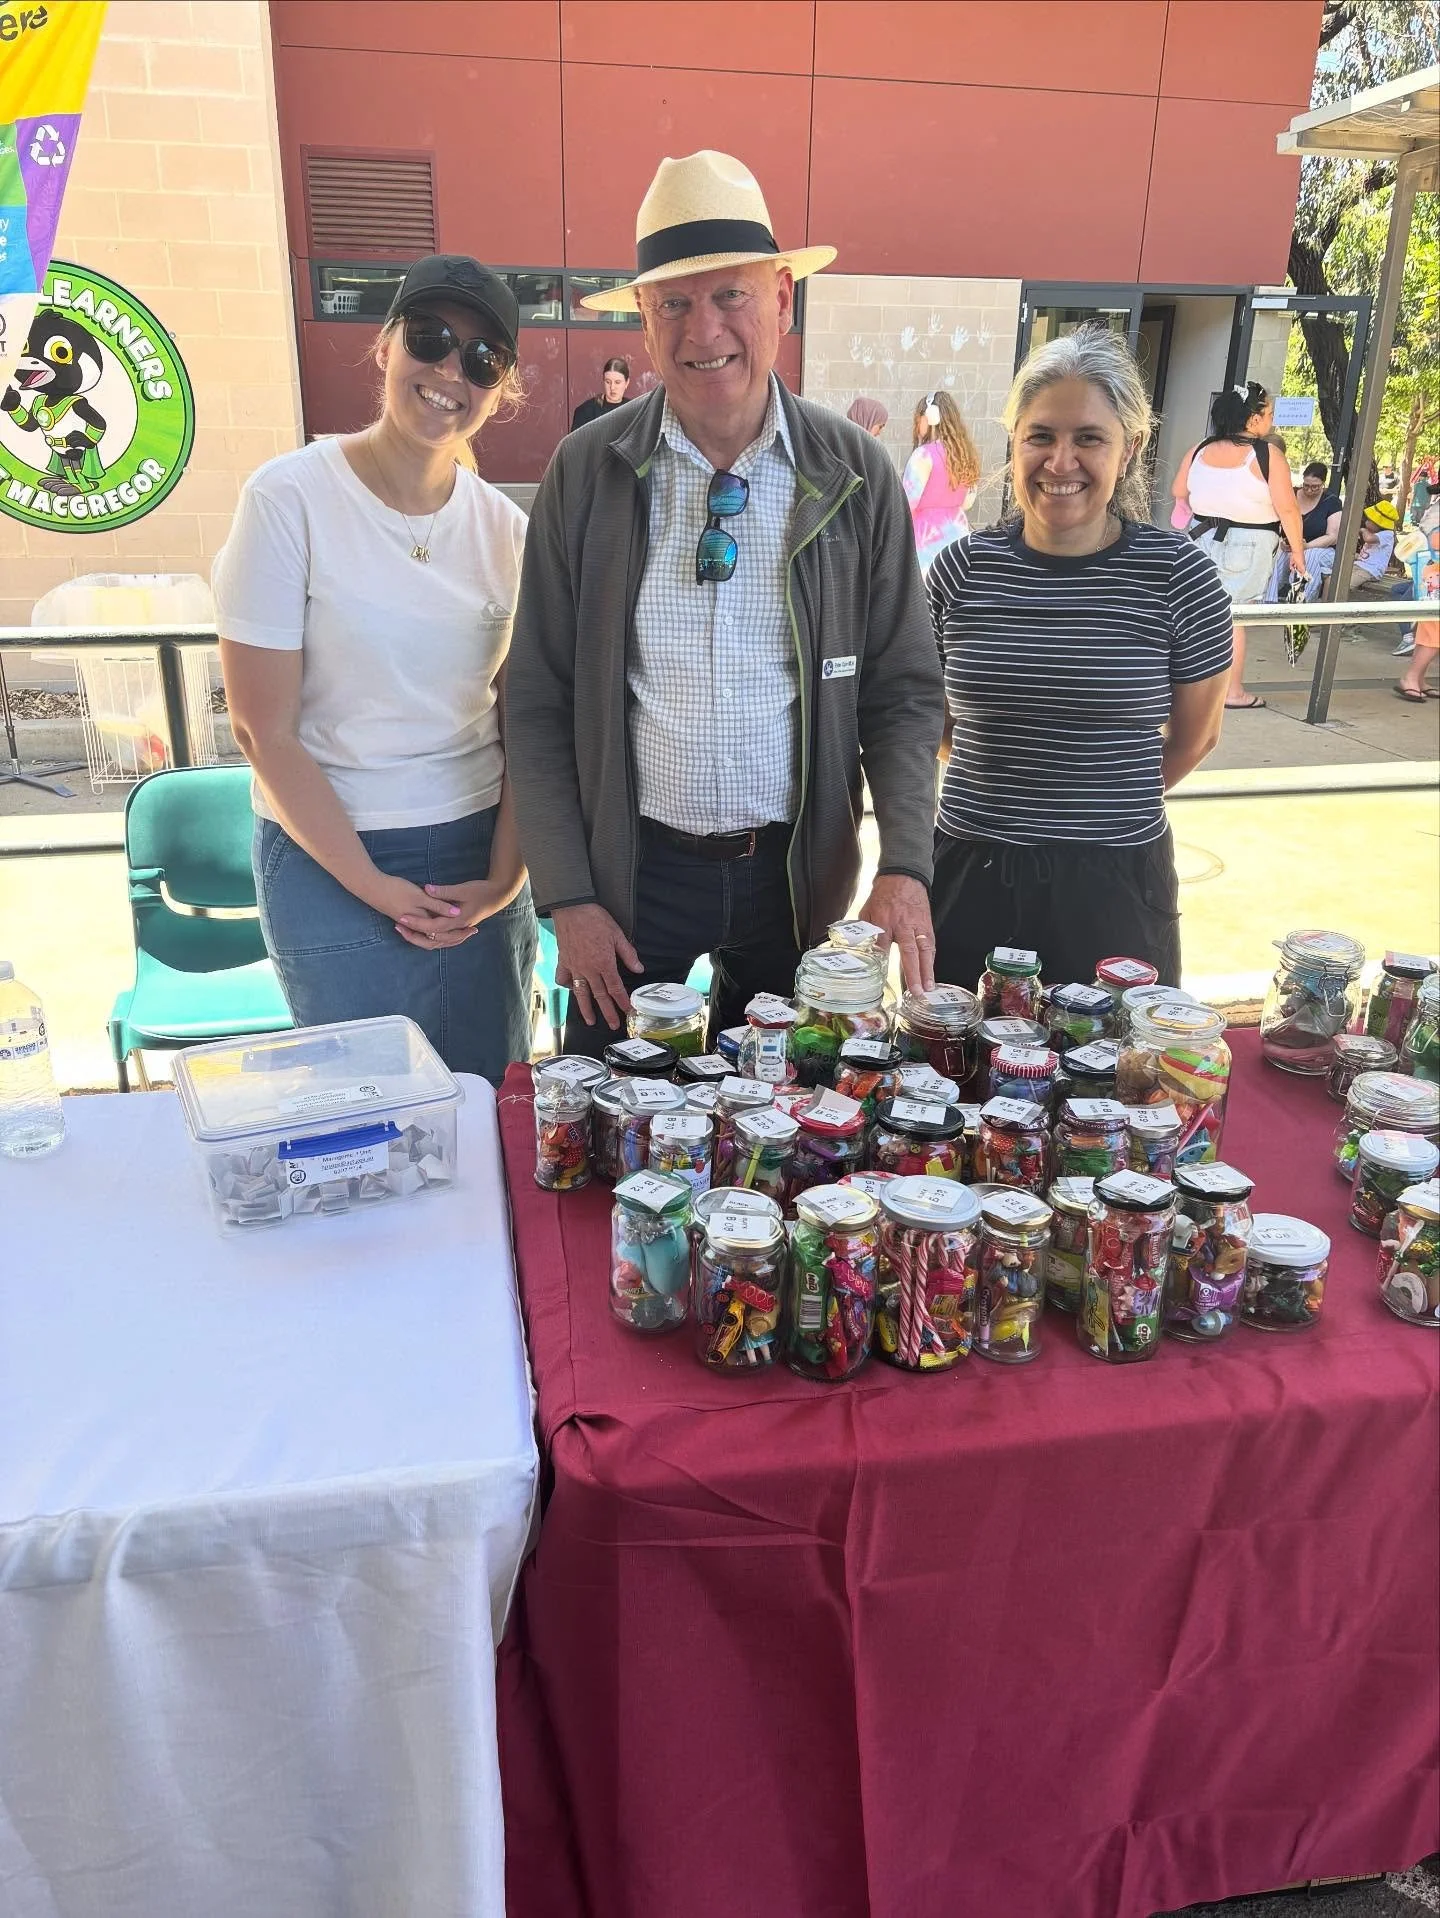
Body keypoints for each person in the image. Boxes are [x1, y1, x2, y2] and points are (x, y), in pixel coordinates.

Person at [506, 149, 943, 1052]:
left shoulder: (854, 474)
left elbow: (902, 692)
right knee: (613, 1129)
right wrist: (568, 898)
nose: (704, 330)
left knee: (789, 1148)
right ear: (644, 318)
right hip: (630, 880)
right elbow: (537, 699)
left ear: (782, 296)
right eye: (673, 302)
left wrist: (904, 863)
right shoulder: (585, 473)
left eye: (730, 295)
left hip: (798, 879)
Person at [214, 254, 538, 1085]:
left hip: (480, 854)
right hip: (332, 853)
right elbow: (263, 728)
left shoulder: (505, 531)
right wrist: (374, 883)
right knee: (364, 1123)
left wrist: (503, 880)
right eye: (430, 339)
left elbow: (524, 723)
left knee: (488, 1108)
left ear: (500, 387)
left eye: (481, 359)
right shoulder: (288, 499)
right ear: (385, 347)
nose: (449, 372)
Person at [927, 324, 1235, 989]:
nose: (1059, 461)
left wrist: (1097, 801)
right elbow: (927, 720)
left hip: (1114, 881)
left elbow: (1197, 735)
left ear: (1130, 448)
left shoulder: (1179, 576)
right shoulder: (961, 571)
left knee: (1114, 1075)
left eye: (1088, 438)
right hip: (969, 870)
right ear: (1014, 443)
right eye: (1040, 435)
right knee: (950, 1072)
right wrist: (1008, 786)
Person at [1172, 381, 1306, 710]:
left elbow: (1179, 490)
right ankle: (1232, 691)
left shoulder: (1199, 449)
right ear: (1253, 419)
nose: (1271, 420)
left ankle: (1188, 685)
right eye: (1269, 413)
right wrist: (1299, 554)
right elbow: (1288, 509)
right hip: (1250, 543)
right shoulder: (1267, 454)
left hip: (1199, 537)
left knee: (1197, 614)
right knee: (1234, 619)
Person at [903, 390, 980, 573]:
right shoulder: (965, 455)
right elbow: (967, 502)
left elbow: (906, 503)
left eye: (918, 418)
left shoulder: (923, 455)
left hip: (925, 541)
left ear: (930, 418)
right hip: (958, 536)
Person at [1265, 460, 1342, 600]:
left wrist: (1305, 546)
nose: (1309, 490)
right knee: (1276, 557)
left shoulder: (1332, 502)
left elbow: (1332, 537)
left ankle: (1299, 604)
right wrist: (1282, 541)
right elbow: (1277, 523)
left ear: (1323, 484)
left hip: (1322, 549)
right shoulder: (1291, 494)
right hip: (1292, 546)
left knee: (1309, 556)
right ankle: (1268, 601)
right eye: (1306, 485)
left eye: (1315, 487)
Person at [1396, 500, 1439, 702]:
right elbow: (1435, 540)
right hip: (1434, 581)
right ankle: (1412, 677)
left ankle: (1417, 677)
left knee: (1430, 631)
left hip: (1431, 579)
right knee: (1434, 632)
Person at [571, 356, 631, 431]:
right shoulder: (586, 411)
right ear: (603, 380)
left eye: (617, 382)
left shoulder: (635, 410)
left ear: (627, 383)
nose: (612, 387)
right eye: (608, 382)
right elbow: (575, 442)